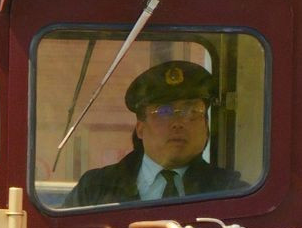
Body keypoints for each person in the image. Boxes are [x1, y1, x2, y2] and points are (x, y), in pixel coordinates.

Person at [65, 57, 232, 207]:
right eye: (164, 112)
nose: (178, 123)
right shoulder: (95, 189)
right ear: (140, 129)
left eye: (191, 111)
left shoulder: (229, 191)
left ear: (206, 125)